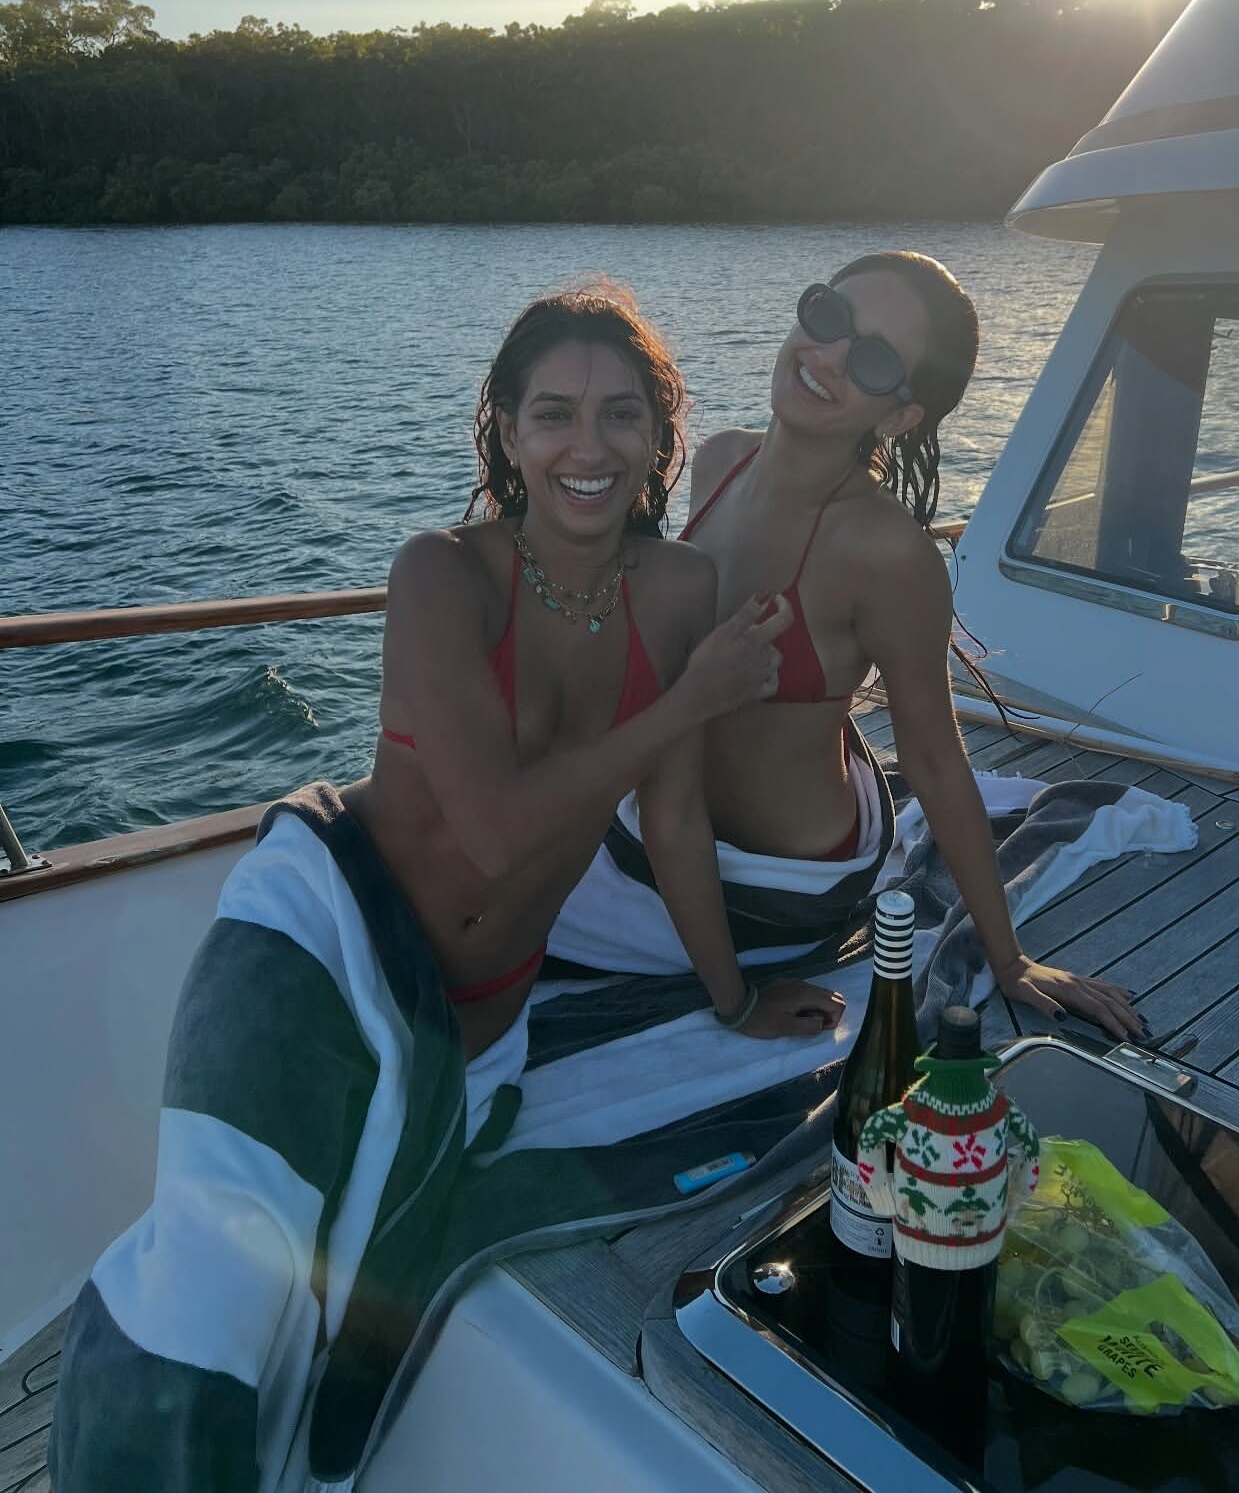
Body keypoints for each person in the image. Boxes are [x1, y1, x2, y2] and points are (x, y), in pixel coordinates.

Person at [50, 281, 840, 1493]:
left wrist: (731, 1000)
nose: (587, 446)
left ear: (658, 436)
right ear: (508, 432)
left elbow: (676, 818)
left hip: (480, 1021)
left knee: (354, 1300)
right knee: (213, 1296)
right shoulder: (441, 576)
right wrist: (690, 701)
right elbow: (493, 830)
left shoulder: (683, 590)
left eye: (620, 415)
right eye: (554, 414)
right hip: (324, 940)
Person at [677, 252, 1143, 1042]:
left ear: (898, 417)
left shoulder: (886, 552)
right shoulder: (720, 460)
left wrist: (1009, 961)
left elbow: (933, 757)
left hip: (782, 883)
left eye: (873, 360)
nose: (828, 355)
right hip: (675, 820)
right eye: (829, 317)